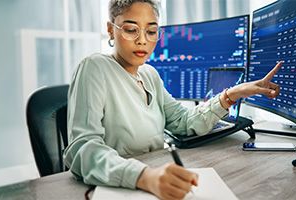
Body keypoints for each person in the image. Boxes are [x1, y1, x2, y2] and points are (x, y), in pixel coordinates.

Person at [63, 0, 282, 199]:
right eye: (131, 30)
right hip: (120, 186)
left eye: (151, 31)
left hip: (154, 179)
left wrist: (233, 93)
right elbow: (83, 149)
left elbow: (183, 122)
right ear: (111, 29)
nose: (142, 41)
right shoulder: (94, 68)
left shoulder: (149, 74)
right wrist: (145, 177)